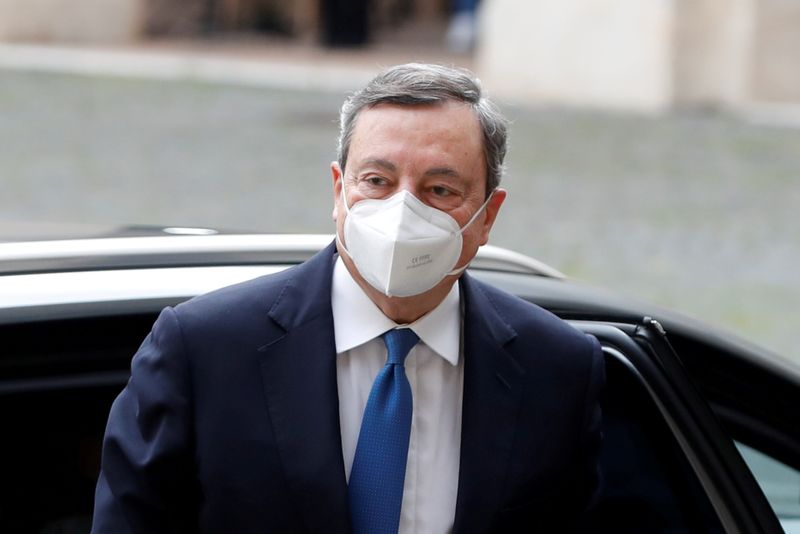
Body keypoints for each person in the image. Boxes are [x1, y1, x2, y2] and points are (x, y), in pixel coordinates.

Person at [91, 63, 604, 534]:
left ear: (487, 216)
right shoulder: (205, 350)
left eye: (440, 190)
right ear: (339, 192)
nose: (403, 211)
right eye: (377, 181)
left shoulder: (555, 368)